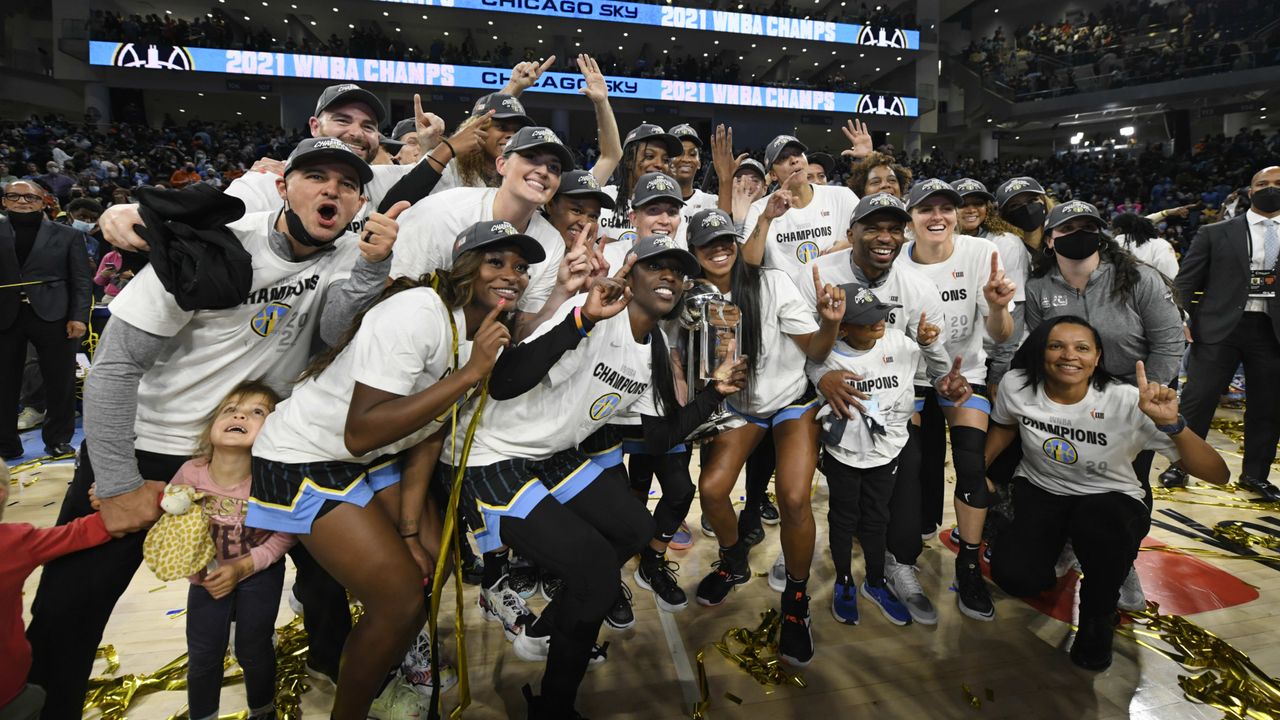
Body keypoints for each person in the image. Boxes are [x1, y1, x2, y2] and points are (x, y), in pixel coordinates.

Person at [25, 138, 406, 720]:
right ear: (282, 186)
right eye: (316, 176)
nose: (332, 190)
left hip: (256, 458)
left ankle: (339, 672)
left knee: (322, 584)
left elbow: (330, 334)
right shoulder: (220, 243)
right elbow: (115, 366)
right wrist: (120, 480)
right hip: (150, 449)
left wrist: (370, 269)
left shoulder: (348, 255)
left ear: (358, 202)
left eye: (348, 184)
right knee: (69, 614)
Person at [249, 220, 546, 717]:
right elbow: (361, 431)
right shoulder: (418, 312)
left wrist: (410, 532)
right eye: (496, 261)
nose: (512, 275)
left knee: (435, 561)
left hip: (369, 458)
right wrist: (472, 374)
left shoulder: (477, 335)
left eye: (521, 267)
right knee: (400, 600)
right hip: (303, 456)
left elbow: (430, 432)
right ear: (466, 268)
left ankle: (395, 671)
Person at [451, 235, 745, 718]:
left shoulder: (653, 347)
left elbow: (658, 435)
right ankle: (553, 706)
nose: (669, 276)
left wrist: (715, 393)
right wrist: (581, 318)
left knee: (636, 529)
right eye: (656, 266)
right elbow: (503, 383)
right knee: (595, 577)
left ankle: (554, 624)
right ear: (630, 274)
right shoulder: (589, 310)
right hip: (492, 452)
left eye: (678, 270)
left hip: (550, 453)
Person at [988, 317, 1228, 670]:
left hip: (1108, 499)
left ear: (1097, 357)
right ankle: (1068, 544)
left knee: (1098, 526)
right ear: (1041, 353)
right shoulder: (1017, 385)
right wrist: (977, 469)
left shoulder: (1126, 401)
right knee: (1016, 576)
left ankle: (1098, 614)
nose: (1069, 355)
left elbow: (1218, 474)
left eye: (1082, 348)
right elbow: (1007, 424)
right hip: (1042, 490)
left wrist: (1173, 426)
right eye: (1056, 346)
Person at [691, 199, 845, 667]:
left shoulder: (772, 282)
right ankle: (733, 560)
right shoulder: (691, 297)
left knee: (796, 498)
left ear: (737, 246)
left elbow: (815, 349)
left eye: (725, 241)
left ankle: (796, 602)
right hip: (739, 407)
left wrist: (832, 323)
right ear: (693, 251)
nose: (719, 250)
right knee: (713, 489)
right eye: (708, 244)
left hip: (791, 400)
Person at [804, 192, 961, 625]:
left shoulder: (918, 288)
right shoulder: (817, 275)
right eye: (872, 227)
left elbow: (928, 359)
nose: (884, 237)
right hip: (827, 410)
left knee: (903, 473)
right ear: (850, 232)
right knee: (839, 506)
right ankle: (816, 567)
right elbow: (805, 353)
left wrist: (919, 394)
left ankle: (896, 566)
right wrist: (823, 379)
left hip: (890, 417)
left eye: (894, 228)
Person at [894, 178, 1016, 623]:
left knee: (970, 464)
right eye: (926, 209)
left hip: (967, 377)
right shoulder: (897, 265)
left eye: (946, 208)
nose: (938, 216)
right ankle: (901, 558)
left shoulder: (981, 255)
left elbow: (1002, 335)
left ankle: (968, 562)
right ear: (911, 219)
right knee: (908, 469)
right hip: (913, 381)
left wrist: (999, 308)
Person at [170, 382, 295, 720]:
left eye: (257, 412)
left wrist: (243, 568)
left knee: (253, 650)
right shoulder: (189, 473)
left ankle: (263, 710)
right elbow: (174, 529)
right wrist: (195, 570)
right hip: (207, 580)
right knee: (204, 654)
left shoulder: (272, 479)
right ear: (211, 426)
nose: (240, 414)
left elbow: (286, 536)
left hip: (260, 575)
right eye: (230, 409)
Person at [391, 126, 574, 333]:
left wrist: (563, 290)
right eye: (531, 158)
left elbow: (520, 331)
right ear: (502, 165)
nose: (543, 172)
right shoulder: (445, 212)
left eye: (554, 168)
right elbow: (392, 291)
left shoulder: (551, 242)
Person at [1170, 165, 1280, 498]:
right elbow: (1186, 281)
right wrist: (1180, 316)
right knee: (1197, 399)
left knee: (1269, 406)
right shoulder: (1215, 232)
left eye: (1277, 184)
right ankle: (1180, 465)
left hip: (1272, 330)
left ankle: (1255, 475)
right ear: (1250, 192)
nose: (1270, 188)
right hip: (1219, 327)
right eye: (1262, 184)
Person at [0, 464, 122, 720]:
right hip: (13, 693)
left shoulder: (14, 542)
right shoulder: (15, 542)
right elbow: (84, 532)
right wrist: (121, 500)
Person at [0, 180, 91, 460]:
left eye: (29, 196)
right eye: (13, 196)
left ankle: (58, 441)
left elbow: (81, 280)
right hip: (5, 315)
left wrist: (78, 317)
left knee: (60, 380)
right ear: (4, 201)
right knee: (4, 382)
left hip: (56, 315)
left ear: (43, 201)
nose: (22, 201)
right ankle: (6, 445)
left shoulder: (68, 235)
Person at [955, 177, 1027, 393]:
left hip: (989, 356)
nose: (971, 209)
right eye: (962, 203)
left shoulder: (1006, 243)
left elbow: (1015, 311)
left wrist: (999, 370)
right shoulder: (936, 242)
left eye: (977, 203)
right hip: (947, 352)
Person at [1112, 212, 1179, 282]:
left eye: (1113, 230)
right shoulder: (1160, 244)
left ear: (1118, 230)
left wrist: (1164, 213)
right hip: (1157, 290)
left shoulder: (1111, 248)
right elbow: (1170, 275)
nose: (1113, 233)